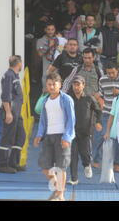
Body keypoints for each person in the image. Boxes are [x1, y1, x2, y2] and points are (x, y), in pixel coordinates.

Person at [33, 73, 75, 201]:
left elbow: (71, 120)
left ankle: (60, 195)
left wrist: (67, 137)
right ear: (46, 86)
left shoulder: (66, 99)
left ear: (60, 84)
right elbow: (42, 121)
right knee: (45, 168)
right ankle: (58, 189)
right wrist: (39, 134)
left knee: (60, 168)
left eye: (54, 84)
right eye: (49, 84)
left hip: (62, 137)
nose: (51, 87)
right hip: (48, 137)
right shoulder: (45, 100)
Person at [68, 76, 103, 185]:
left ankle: (87, 165)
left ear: (83, 85)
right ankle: (74, 178)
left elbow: (98, 111)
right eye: (74, 84)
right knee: (72, 155)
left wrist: (98, 122)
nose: (76, 87)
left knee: (85, 153)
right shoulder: (68, 98)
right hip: (72, 131)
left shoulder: (89, 98)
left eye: (78, 84)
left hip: (86, 132)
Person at [95, 62, 119, 172]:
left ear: (118, 70)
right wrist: (99, 99)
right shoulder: (102, 80)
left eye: (113, 72)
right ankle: (96, 159)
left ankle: (117, 163)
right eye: (108, 73)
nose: (111, 75)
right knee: (102, 136)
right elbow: (101, 93)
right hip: (107, 112)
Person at [0, 56, 26, 174]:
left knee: (20, 136)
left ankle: (13, 163)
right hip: (11, 111)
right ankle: (2, 164)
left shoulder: (14, 76)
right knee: (7, 137)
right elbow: (5, 96)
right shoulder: (9, 75)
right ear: (19, 63)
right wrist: (8, 112)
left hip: (17, 112)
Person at [36, 23, 58, 89]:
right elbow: (40, 54)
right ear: (45, 30)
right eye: (48, 29)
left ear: (55, 30)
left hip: (57, 66)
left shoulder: (58, 39)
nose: (50, 31)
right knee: (46, 88)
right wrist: (49, 46)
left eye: (52, 29)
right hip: (46, 67)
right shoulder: (40, 40)